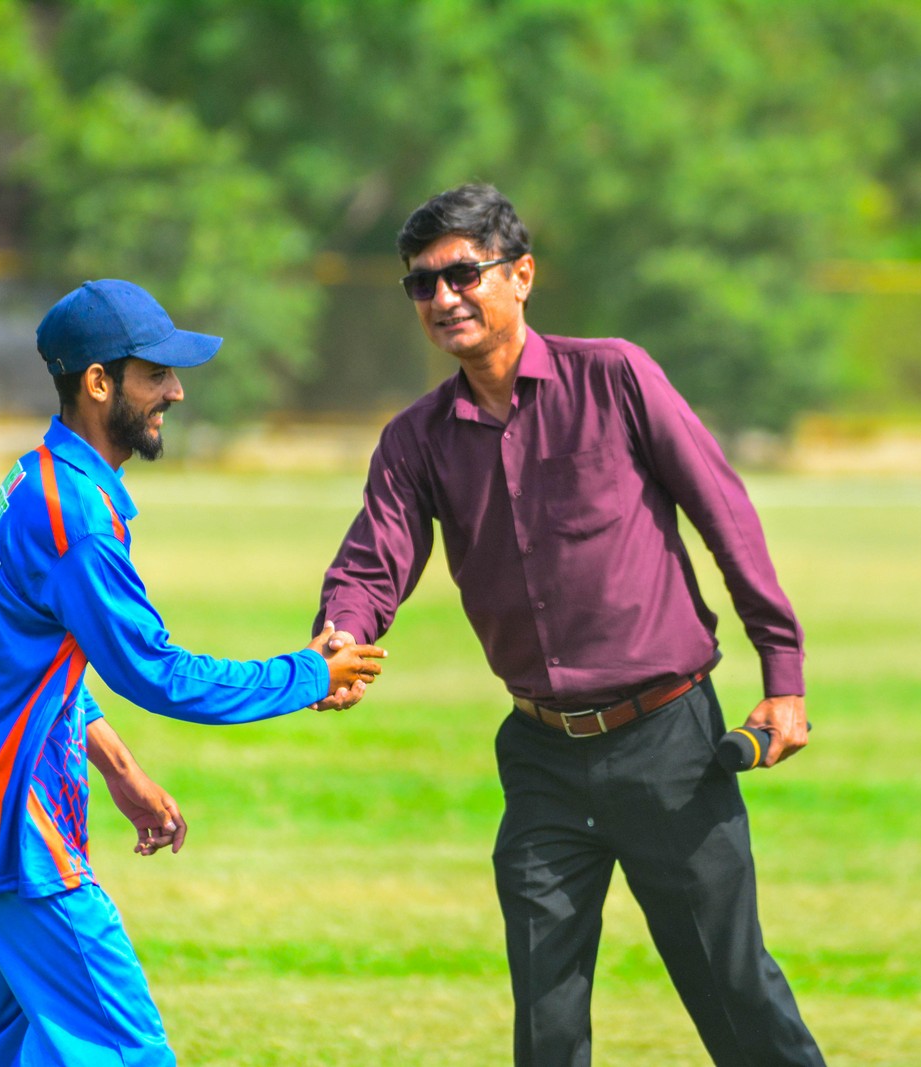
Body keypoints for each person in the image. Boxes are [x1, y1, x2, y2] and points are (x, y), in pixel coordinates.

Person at [313, 184, 826, 1065]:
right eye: (422, 284)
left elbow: (725, 513)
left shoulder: (615, 376)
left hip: (670, 744)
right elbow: (373, 559)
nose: (443, 298)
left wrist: (783, 675)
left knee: (733, 990)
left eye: (463, 275)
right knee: (545, 1019)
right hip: (542, 757)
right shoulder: (416, 438)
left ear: (522, 275)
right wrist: (340, 632)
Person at [0, 279, 387, 1066]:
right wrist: (309, 675)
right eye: (155, 374)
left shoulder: (33, 478)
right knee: (130, 1052)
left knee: (4, 1055)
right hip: (25, 835)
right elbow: (155, 671)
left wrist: (118, 766)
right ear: (98, 382)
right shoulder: (75, 514)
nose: (175, 391)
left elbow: (33, 665)